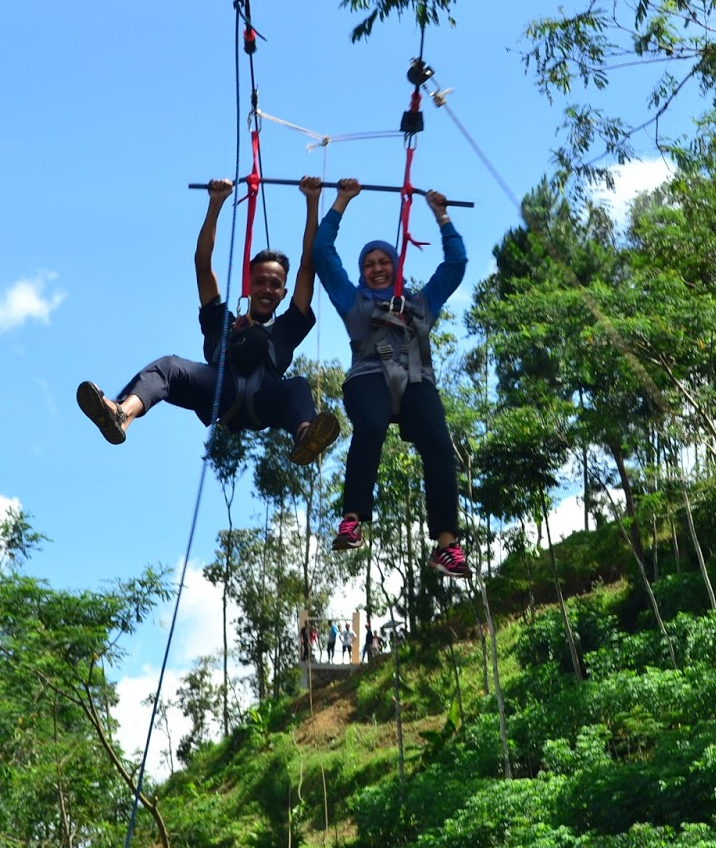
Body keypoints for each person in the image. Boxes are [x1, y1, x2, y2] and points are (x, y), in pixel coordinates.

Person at [76, 177, 340, 463]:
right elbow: (202, 264)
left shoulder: (286, 329)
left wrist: (312, 202)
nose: (267, 289)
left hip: (267, 398)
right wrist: (216, 204)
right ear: (247, 285)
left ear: (283, 292)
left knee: (297, 387)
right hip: (219, 391)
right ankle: (122, 414)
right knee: (168, 366)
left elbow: (307, 268)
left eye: (275, 284)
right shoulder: (222, 323)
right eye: (260, 281)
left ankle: (305, 436)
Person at [311, 177, 472, 579]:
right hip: (368, 376)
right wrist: (340, 202)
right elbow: (323, 254)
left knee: (438, 443)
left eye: (384, 262)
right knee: (369, 428)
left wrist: (441, 216)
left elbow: (455, 265)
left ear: (397, 266)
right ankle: (352, 519)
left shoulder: (420, 302)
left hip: (417, 380)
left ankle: (447, 545)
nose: (377, 269)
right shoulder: (354, 300)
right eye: (369, 264)